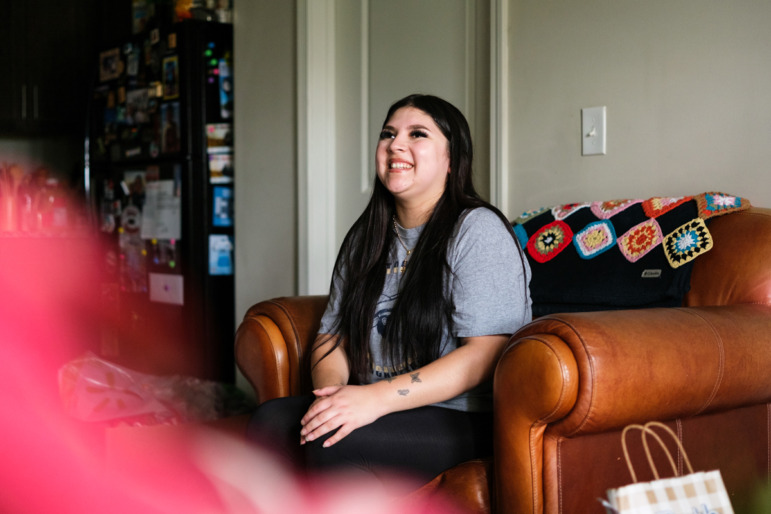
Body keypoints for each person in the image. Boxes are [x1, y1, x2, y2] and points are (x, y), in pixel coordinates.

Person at [247, 93, 532, 483]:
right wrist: (333, 399)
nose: (396, 144)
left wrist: (374, 399)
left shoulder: (476, 229)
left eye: (417, 134)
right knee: (270, 422)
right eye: (388, 134)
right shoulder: (366, 237)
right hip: (381, 406)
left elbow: (485, 355)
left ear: (451, 161)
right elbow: (332, 338)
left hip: (462, 416)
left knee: (334, 439)